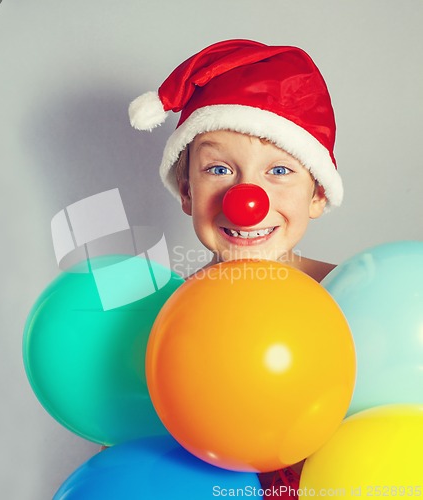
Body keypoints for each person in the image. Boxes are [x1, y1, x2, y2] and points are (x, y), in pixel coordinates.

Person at [129, 38, 343, 496]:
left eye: (280, 171)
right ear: (186, 191)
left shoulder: (352, 296)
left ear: (318, 194)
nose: (247, 201)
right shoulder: (164, 323)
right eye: (219, 169)